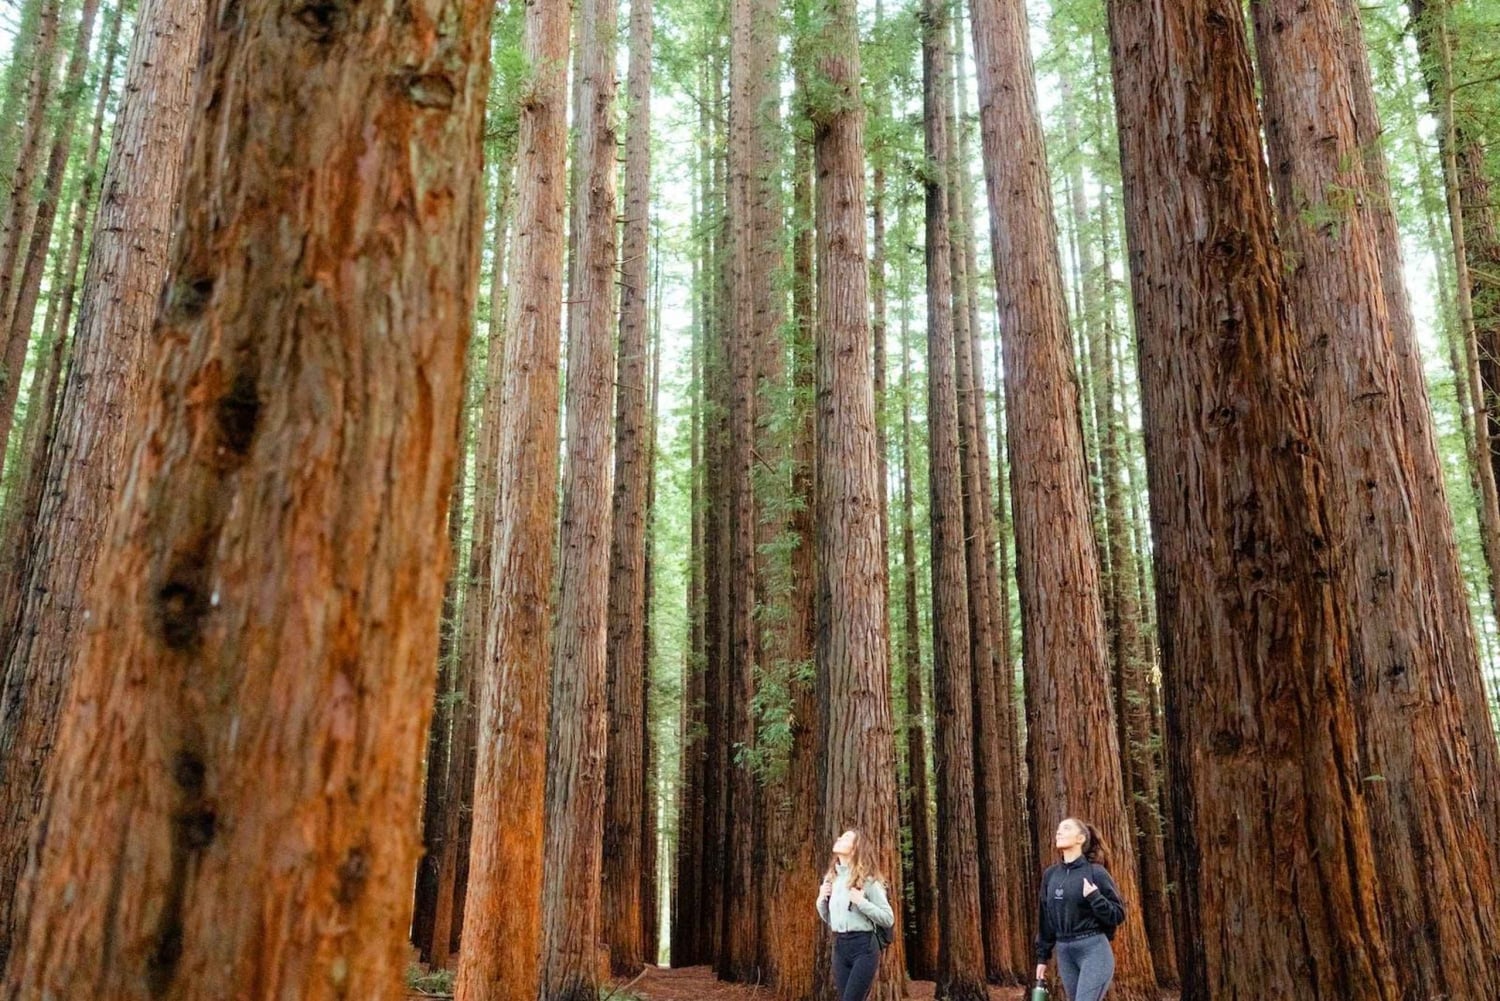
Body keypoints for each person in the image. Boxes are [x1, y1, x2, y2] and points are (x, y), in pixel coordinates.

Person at [1034, 817, 1126, 1001]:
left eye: (1066, 828)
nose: (1059, 832)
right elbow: (1046, 919)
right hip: (1064, 951)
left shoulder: (1095, 872)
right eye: (1058, 829)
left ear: (1081, 838)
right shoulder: (1050, 875)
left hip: (1093, 949)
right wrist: (1042, 958)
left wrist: (1095, 897)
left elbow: (1118, 914)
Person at [815, 828, 895, 1001]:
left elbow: (888, 918)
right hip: (840, 948)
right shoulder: (831, 879)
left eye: (845, 838)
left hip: (864, 947)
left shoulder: (868, 880)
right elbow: (831, 920)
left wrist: (862, 903)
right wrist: (820, 900)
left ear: (855, 849)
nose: (839, 838)